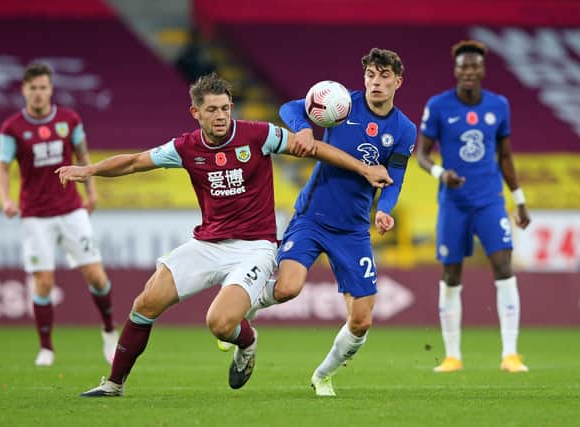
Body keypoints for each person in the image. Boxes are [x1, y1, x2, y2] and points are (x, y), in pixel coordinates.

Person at [56, 72, 393, 397]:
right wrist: (90, 170)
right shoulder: (184, 147)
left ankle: (246, 342)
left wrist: (364, 168)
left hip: (254, 247)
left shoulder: (260, 136)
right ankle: (114, 384)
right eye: (212, 110)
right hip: (206, 243)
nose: (220, 116)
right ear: (196, 112)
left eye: (225, 108)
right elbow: (133, 162)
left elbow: (316, 150)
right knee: (145, 303)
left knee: (219, 323)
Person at [245, 48, 416, 396]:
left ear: (398, 81)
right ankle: (244, 308)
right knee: (288, 288)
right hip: (312, 217)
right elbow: (290, 108)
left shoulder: (404, 129)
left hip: (353, 229)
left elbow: (394, 176)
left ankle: (323, 375)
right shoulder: (341, 104)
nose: (376, 83)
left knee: (362, 319)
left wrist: (386, 209)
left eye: (384, 76)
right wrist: (304, 129)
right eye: (370, 75)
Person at [416, 40, 531, 373]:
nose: (468, 71)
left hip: (490, 200)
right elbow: (422, 154)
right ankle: (453, 356)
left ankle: (510, 354)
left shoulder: (499, 105)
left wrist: (520, 200)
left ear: (482, 69)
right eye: (463, 66)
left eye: (474, 66)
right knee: (451, 273)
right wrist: (440, 173)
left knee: (503, 265)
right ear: (456, 70)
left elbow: (506, 156)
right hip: (453, 202)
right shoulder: (438, 106)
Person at [0, 63, 118, 367]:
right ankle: (47, 348)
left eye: (43, 87)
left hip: (71, 210)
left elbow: (83, 157)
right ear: (24, 90)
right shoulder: (12, 128)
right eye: (33, 88)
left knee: (96, 276)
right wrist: (6, 200)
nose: (38, 93)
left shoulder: (69, 120)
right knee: (44, 282)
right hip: (35, 214)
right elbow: (2, 167)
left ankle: (108, 332)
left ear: (51, 89)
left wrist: (91, 193)